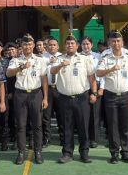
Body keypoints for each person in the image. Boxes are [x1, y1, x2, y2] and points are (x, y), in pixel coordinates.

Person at [50, 35, 97, 163]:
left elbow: (92, 77)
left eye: (72, 43)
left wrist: (94, 93)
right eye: (68, 43)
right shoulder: (59, 59)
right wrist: (61, 65)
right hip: (64, 98)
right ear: (64, 46)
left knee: (83, 126)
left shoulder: (85, 59)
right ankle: (67, 153)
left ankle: (84, 153)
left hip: (82, 98)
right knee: (67, 127)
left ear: (77, 46)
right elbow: (52, 71)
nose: (70, 45)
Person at [97, 31, 128, 163]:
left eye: (118, 41)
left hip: (126, 95)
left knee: (126, 126)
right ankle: (114, 153)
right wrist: (110, 69)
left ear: (122, 43)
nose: (116, 44)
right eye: (113, 41)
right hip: (111, 96)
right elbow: (98, 73)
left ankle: (125, 152)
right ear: (109, 43)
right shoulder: (105, 58)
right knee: (112, 125)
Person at [7, 34, 49, 165]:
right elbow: (8, 73)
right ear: (21, 46)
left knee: (37, 125)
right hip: (20, 94)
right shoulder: (15, 60)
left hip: (36, 94)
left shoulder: (40, 60)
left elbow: (44, 79)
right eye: (25, 44)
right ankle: (21, 152)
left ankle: (38, 152)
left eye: (30, 44)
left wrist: (45, 98)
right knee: (20, 125)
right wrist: (20, 67)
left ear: (33, 45)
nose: (27, 47)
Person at [80, 37, 104, 148]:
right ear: (80, 45)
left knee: (95, 114)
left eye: (88, 44)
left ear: (92, 45)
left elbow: (102, 74)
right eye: (84, 44)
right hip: (83, 87)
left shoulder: (98, 56)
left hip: (96, 85)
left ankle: (94, 138)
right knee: (83, 114)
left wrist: (101, 88)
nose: (86, 46)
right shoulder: (78, 57)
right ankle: (84, 137)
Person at [42, 37, 62, 147]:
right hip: (47, 88)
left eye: (54, 45)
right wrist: (49, 63)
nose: (52, 47)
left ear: (58, 47)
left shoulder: (62, 57)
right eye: (50, 45)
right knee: (46, 115)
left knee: (61, 114)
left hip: (60, 88)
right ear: (46, 47)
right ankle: (46, 138)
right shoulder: (42, 58)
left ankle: (63, 137)